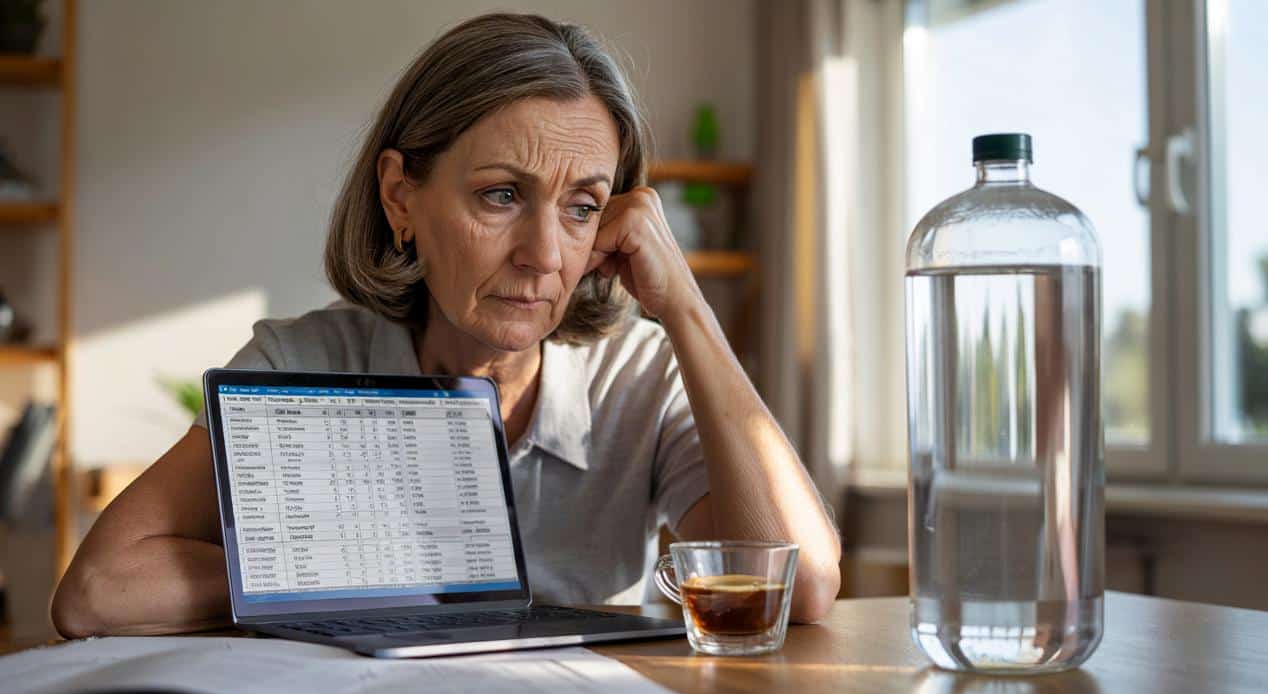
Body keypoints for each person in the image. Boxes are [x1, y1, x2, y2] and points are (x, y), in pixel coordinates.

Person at [51, 13, 841, 638]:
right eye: (501, 195)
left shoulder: (639, 372)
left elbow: (800, 587)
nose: (543, 256)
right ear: (401, 197)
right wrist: (376, 568)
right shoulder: (302, 361)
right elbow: (98, 591)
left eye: (582, 209)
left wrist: (689, 312)